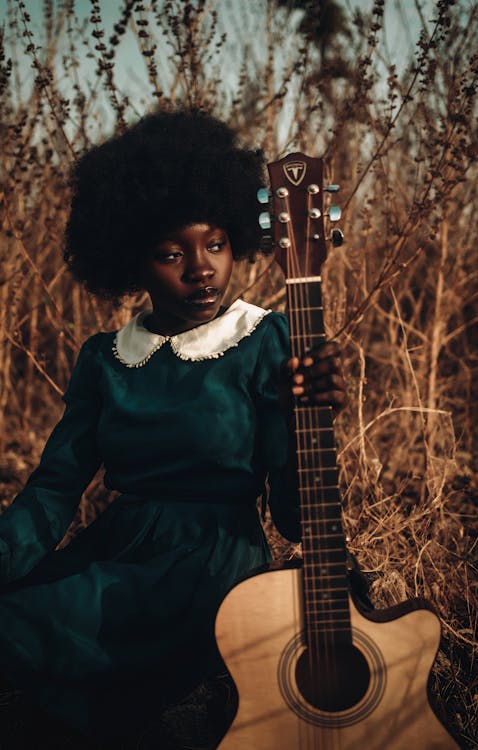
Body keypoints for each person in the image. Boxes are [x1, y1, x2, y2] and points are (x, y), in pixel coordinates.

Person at [0, 108, 346, 744]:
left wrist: (308, 417)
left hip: (212, 566)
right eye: (171, 254)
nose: (201, 268)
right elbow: (54, 487)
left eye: (215, 244)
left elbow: (298, 517)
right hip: (121, 545)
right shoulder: (106, 359)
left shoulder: (264, 338)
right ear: (132, 263)